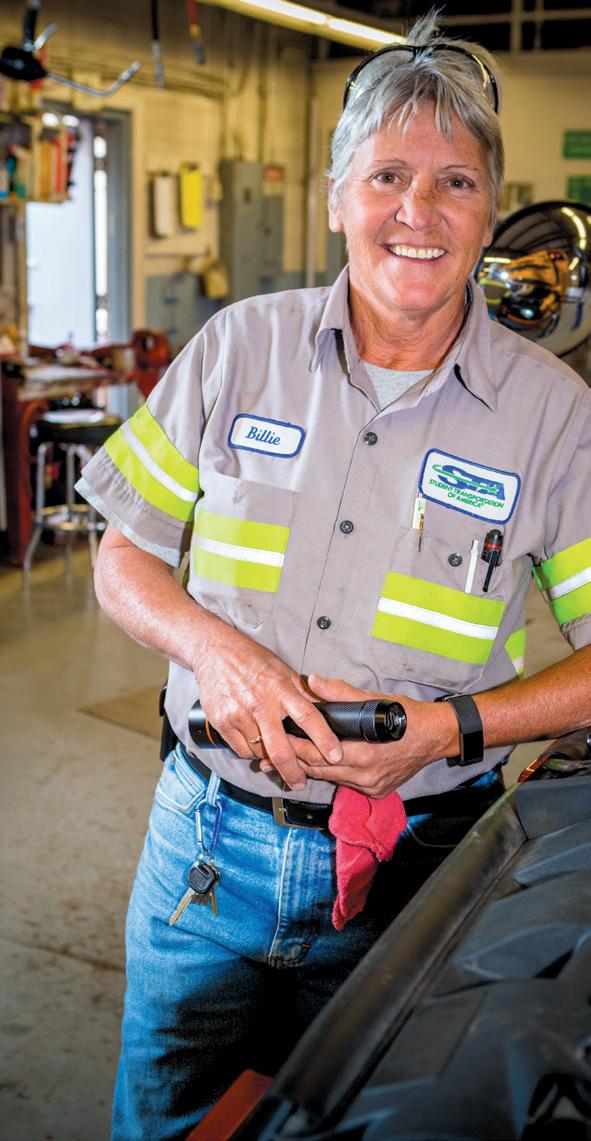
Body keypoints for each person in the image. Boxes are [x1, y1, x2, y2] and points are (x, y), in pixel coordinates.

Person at [78, 11, 591, 1140]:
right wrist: (216, 650)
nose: (417, 211)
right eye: (387, 176)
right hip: (204, 843)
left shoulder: (555, 417)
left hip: (415, 864)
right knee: (161, 1118)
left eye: (455, 182)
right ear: (334, 198)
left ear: (490, 212)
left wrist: (452, 727)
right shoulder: (236, 349)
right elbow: (123, 553)